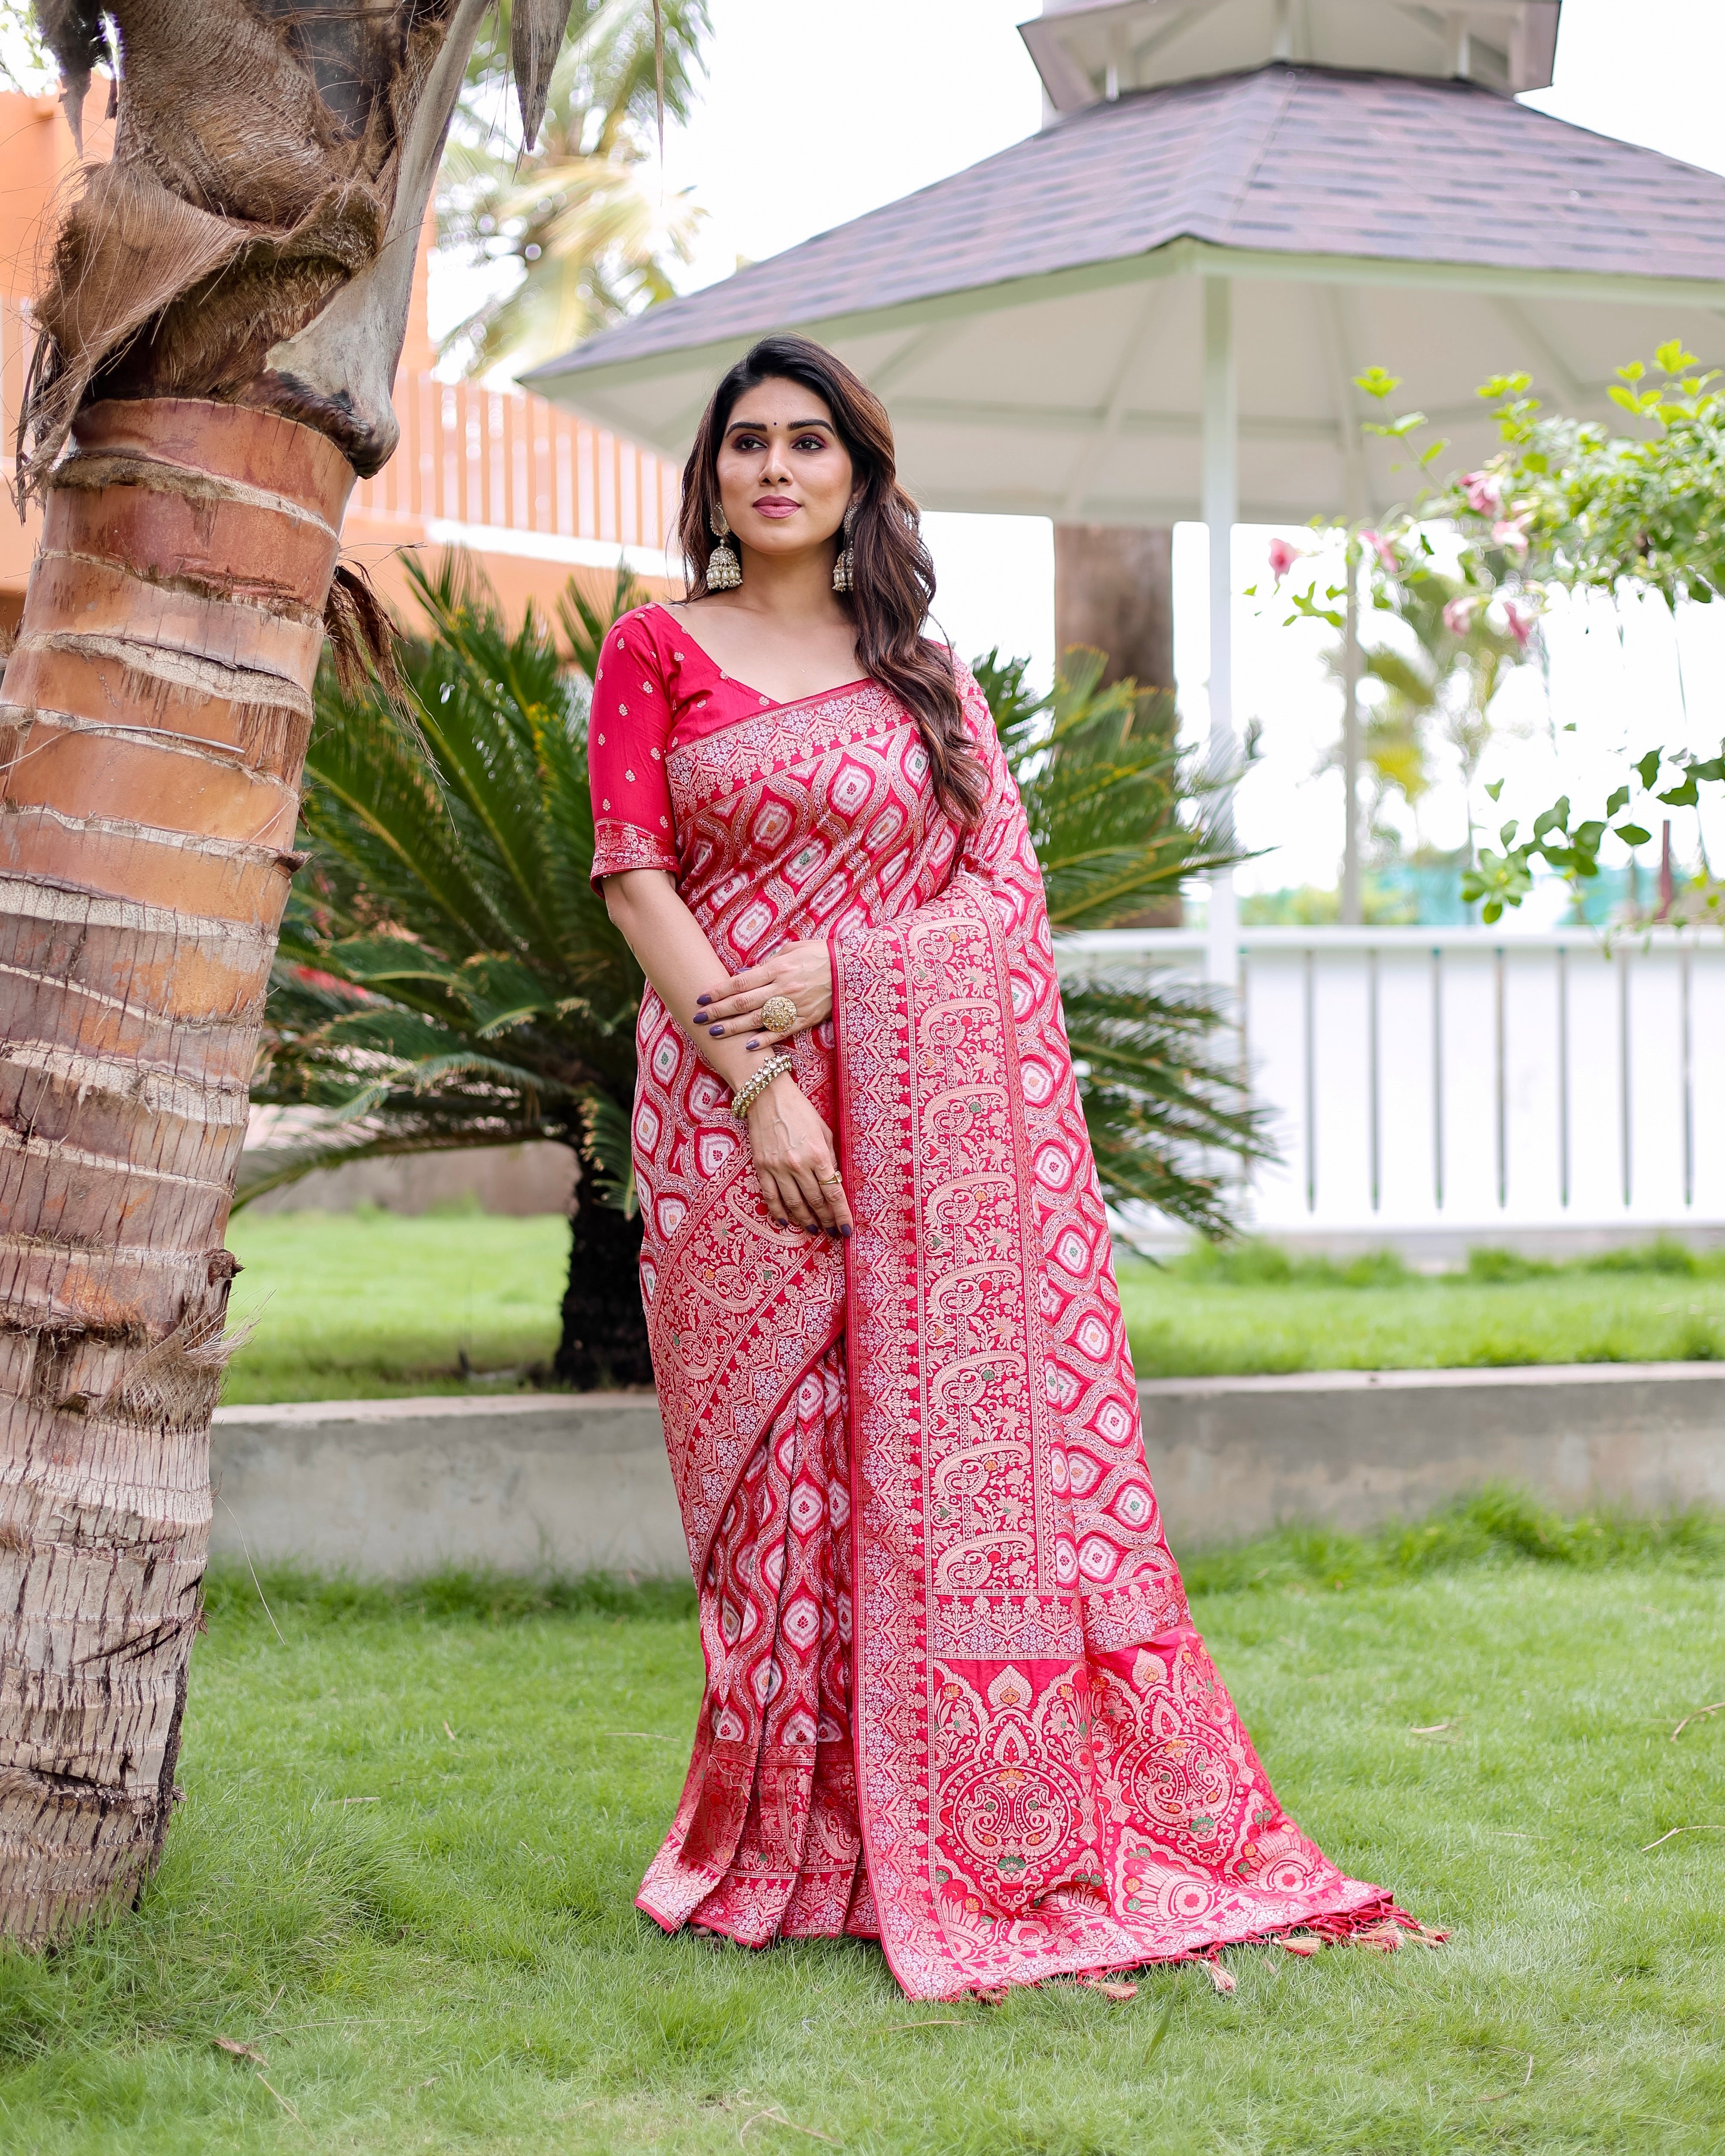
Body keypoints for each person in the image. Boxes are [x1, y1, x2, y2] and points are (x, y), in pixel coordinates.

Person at [589, 334, 1423, 2002]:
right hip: (732, 1123)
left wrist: (847, 977)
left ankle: (962, 1826)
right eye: (746, 442)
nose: (774, 469)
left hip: (935, 1145)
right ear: (713, 475)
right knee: (779, 1496)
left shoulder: (925, 676)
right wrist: (764, 1083)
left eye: (807, 443)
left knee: (920, 1479)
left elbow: (1003, 904)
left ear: (857, 475)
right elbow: (633, 878)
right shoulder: (655, 651)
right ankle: (792, 1850)